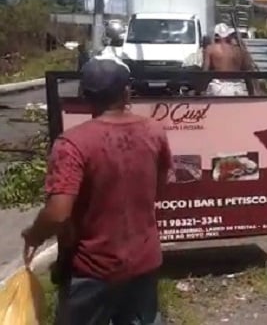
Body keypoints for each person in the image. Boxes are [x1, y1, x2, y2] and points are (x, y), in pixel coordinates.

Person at [22, 56, 172, 324]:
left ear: (85, 95)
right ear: (127, 91)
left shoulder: (73, 143)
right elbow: (158, 189)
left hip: (92, 269)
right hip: (143, 260)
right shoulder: (154, 132)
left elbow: (58, 214)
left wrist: (34, 235)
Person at [204, 23, 258, 96]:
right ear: (228, 35)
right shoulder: (239, 50)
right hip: (237, 87)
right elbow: (247, 72)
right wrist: (251, 92)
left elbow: (205, 72)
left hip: (218, 86)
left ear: (216, 36)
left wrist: (200, 91)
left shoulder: (210, 49)